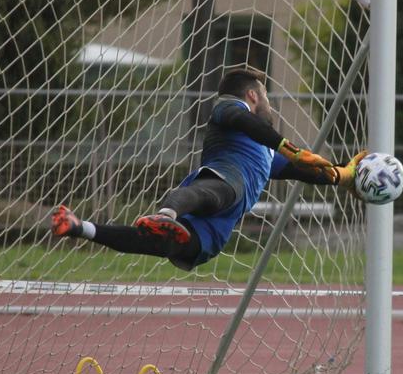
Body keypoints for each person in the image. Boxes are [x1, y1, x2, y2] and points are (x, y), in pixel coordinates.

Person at [51, 67, 365, 270]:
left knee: (163, 244)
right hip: (224, 181)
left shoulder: (267, 153)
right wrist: (291, 148)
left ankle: (81, 228)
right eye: (265, 96)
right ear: (253, 95)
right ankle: (166, 215)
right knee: (215, 191)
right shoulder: (228, 108)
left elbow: (305, 171)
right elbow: (245, 122)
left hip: (214, 231)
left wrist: (342, 174)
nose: (268, 103)